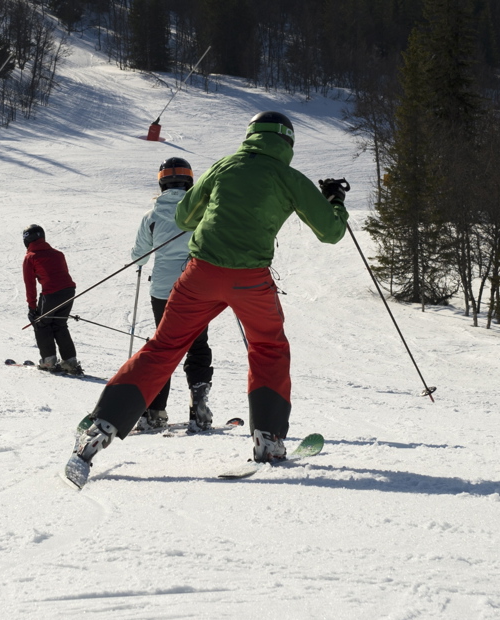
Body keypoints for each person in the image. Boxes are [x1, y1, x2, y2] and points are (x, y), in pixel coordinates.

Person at [64, 112, 350, 487]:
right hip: (250, 280)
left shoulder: (224, 166)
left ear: (250, 135)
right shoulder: (290, 178)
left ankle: (99, 429)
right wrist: (335, 202)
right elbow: (330, 233)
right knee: (268, 348)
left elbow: (184, 217)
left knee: (164, 347)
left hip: (200, 274)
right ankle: (268, 438)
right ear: (287, 142)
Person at [128, 157, 213, 434]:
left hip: (163, 291)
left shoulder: (151, 216)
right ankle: (198, 408)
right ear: (189, 181)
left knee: (165, 347)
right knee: (197, 347)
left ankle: (155, 411)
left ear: (161, 182)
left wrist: (141, 262)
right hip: (197, 288)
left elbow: (139, 256)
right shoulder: (202, 211)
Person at [22, 224, 84, 375]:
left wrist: (32, 308)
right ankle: (70, 362)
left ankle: (48, 361)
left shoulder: (30, 257)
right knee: (59, 324)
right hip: (69, 292)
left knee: (41, 324)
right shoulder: (58, 254)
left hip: (51, 294)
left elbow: (30, 285)